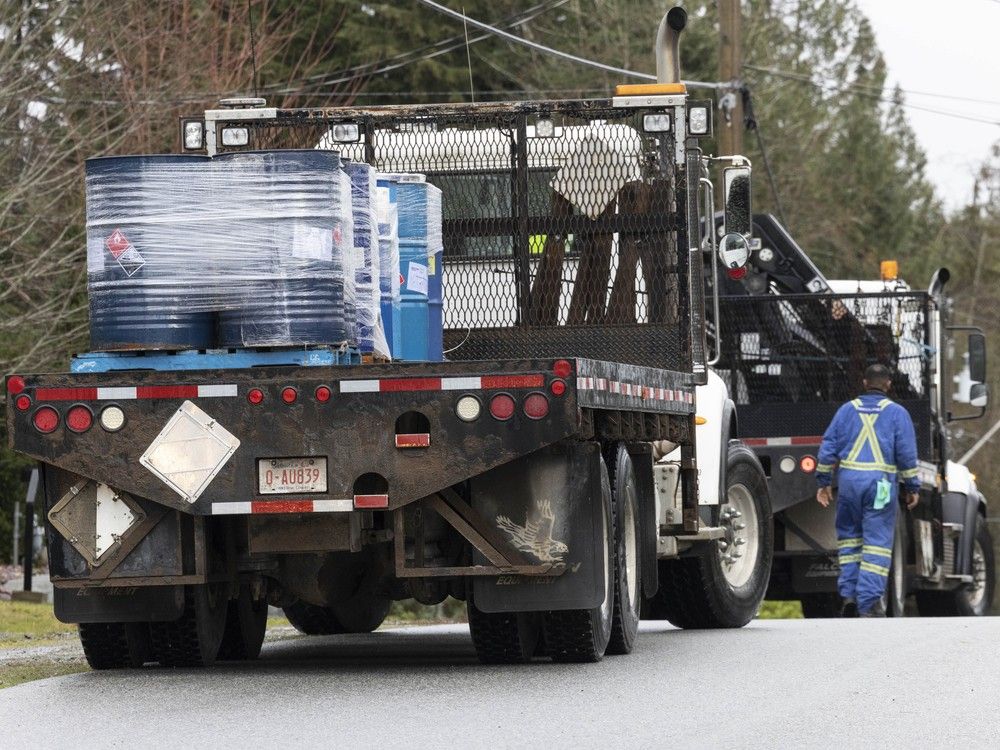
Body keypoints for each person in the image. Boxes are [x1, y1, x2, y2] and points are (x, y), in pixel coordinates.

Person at [815, 363, 920, 617]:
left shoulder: (845, 411)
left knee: (850, 540)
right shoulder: (898, 413)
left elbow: (828, 447)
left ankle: (850, 597)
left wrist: (823, 483)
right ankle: (869, 603)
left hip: (849, 484)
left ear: (864, 383)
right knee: (877, 544)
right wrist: (912, 487)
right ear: (889, 385)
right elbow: (906, 455)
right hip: (881, 485)